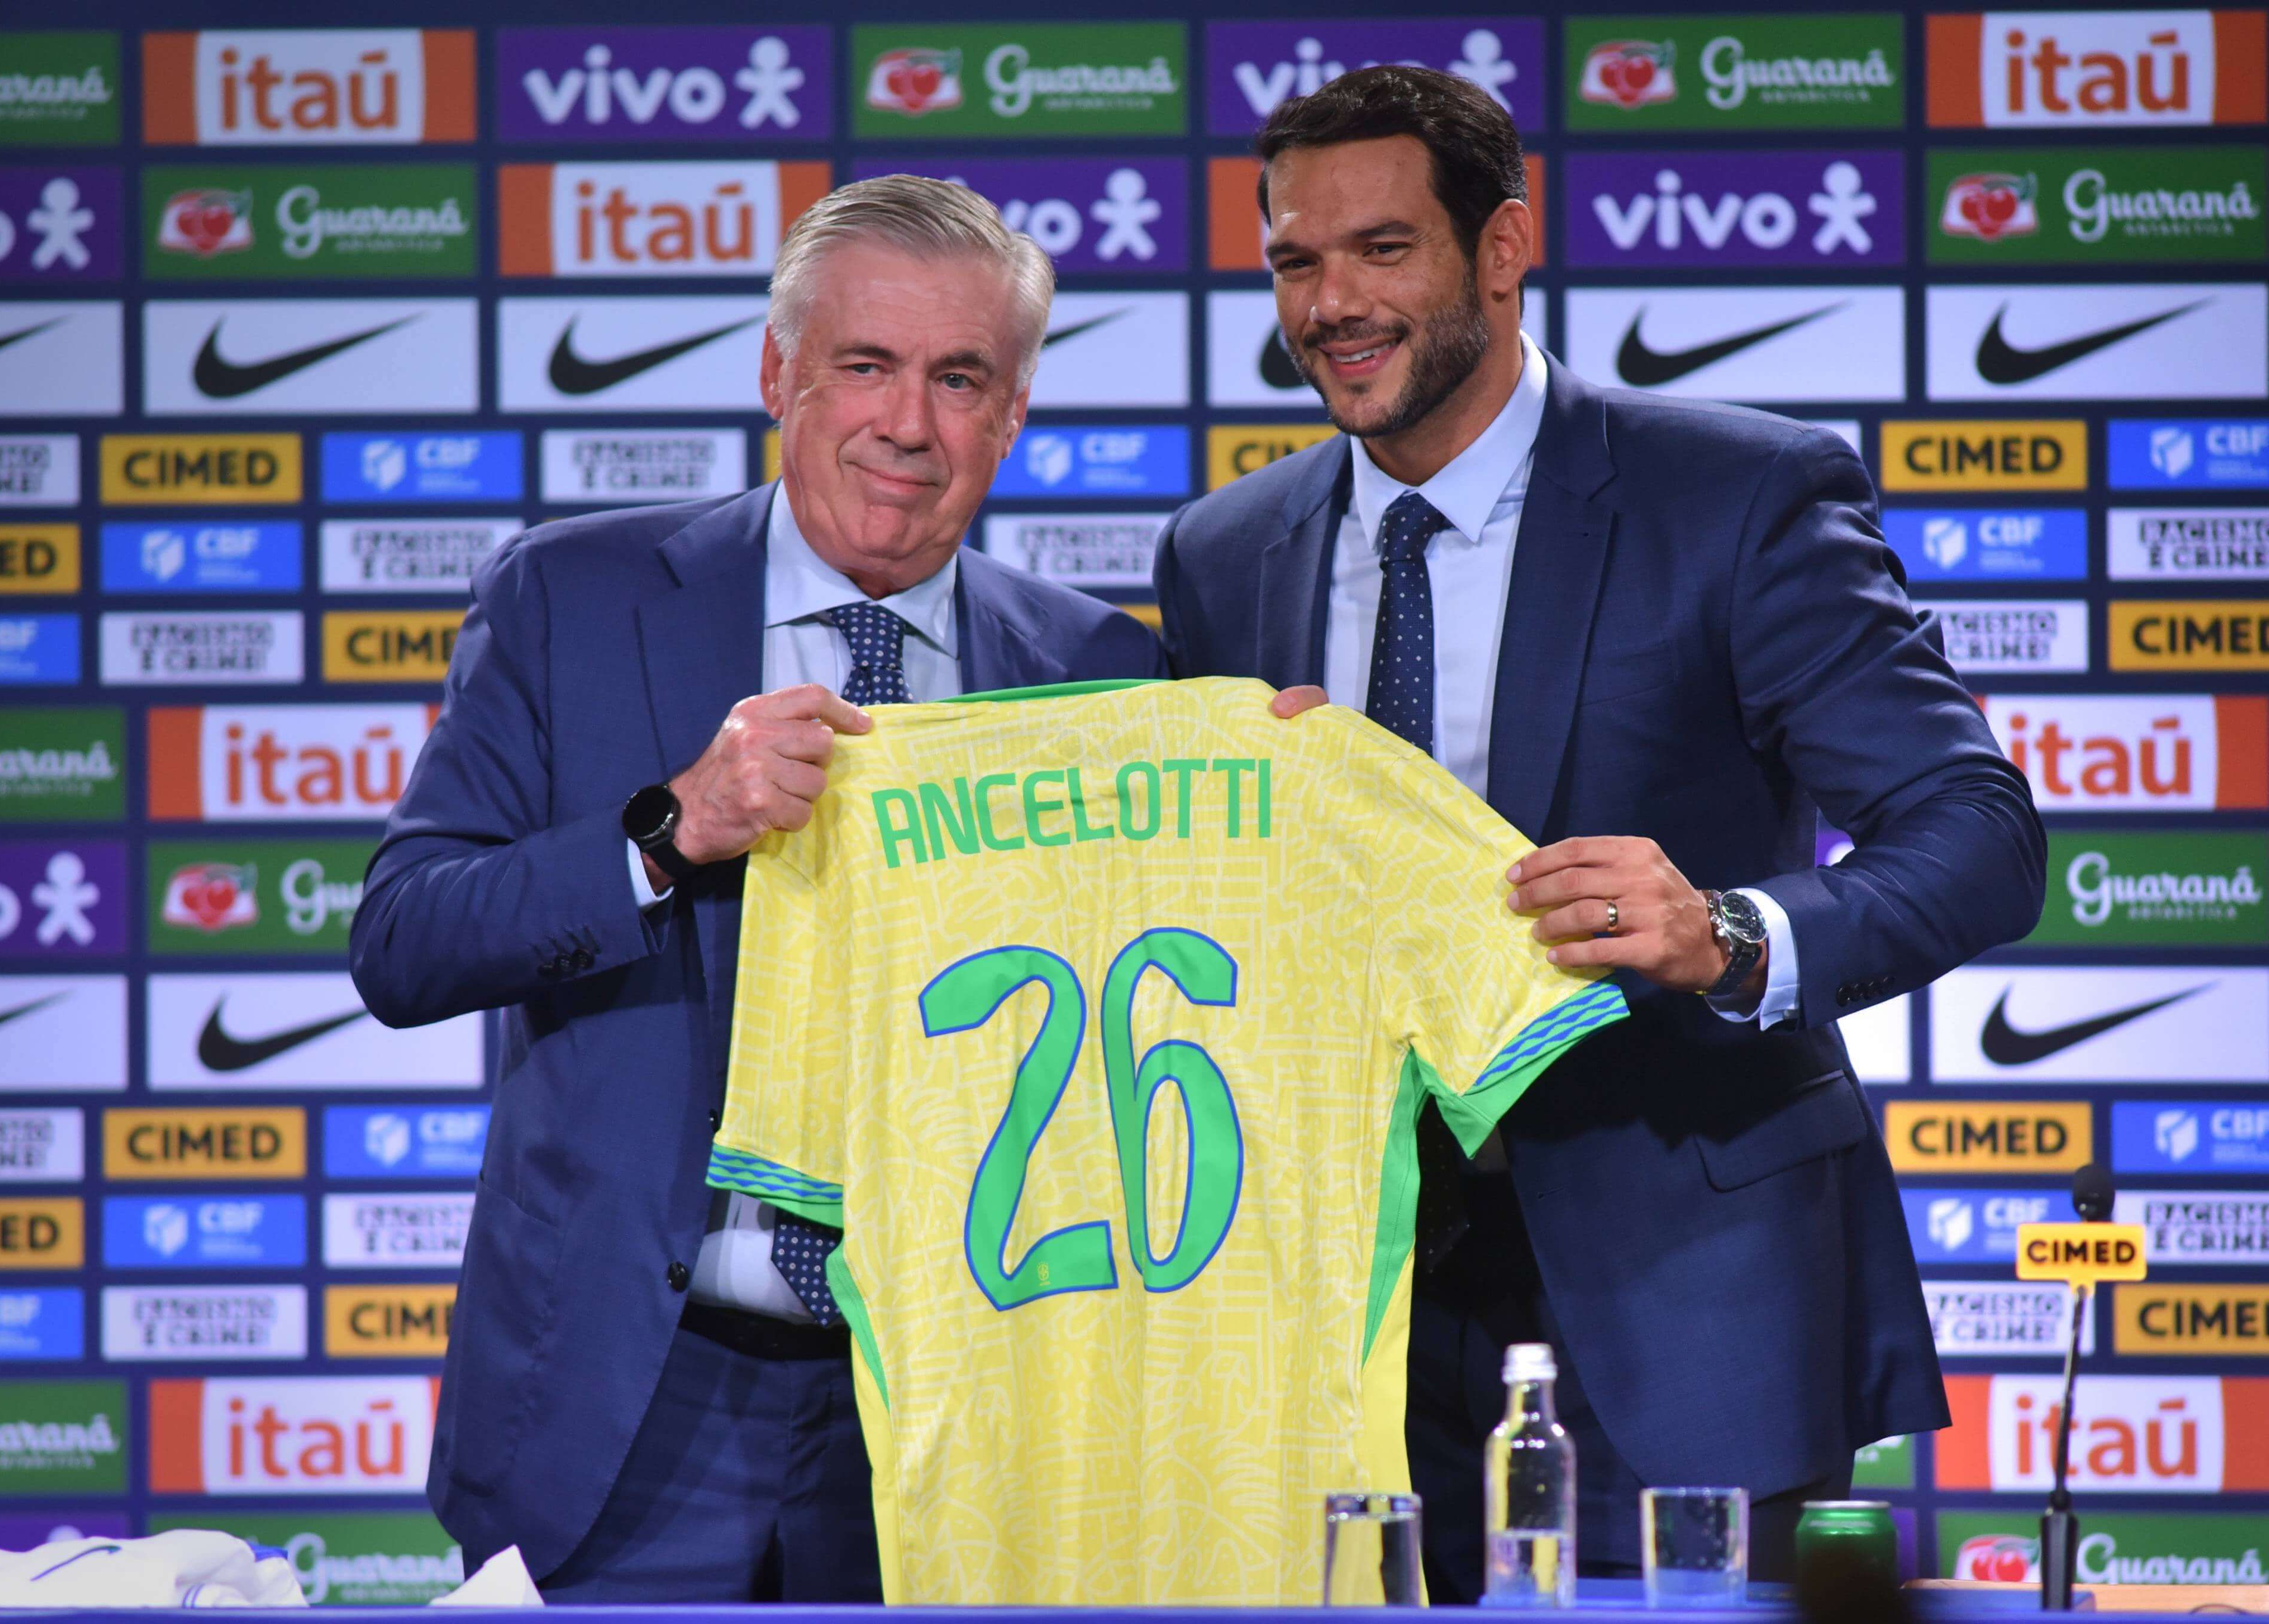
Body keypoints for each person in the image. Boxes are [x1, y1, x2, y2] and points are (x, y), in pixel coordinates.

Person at [1152, 67, 2044, 1591]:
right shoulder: (1223, 551)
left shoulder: (1739, 495)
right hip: (1345, 1313)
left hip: (1687, 1285)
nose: (1330, 305)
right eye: (1295, 260)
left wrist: (1729, 932)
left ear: (1503, 246)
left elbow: (1974, 832)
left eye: (1381, 250)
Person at [350, 175, 1162, 1603]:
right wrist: (670, 826)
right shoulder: (570, 600)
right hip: (629, 1402)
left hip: (956, 1412)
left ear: (1016, 412)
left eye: (961, 377)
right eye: (865, 364)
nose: (908, 424)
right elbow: (406, 940)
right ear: (778, 371)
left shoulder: (1101, 670)